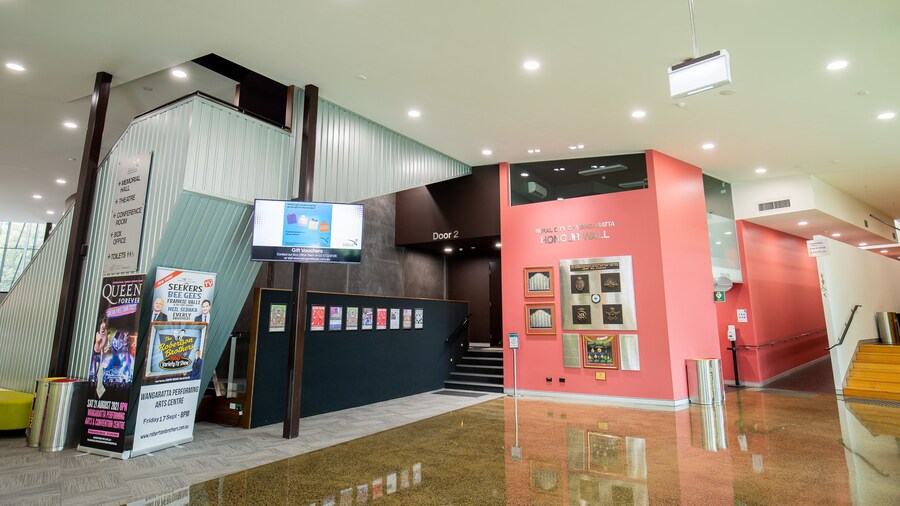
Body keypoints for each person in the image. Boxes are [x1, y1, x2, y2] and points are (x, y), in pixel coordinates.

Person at [89, 315, 108, 382]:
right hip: (95, 349)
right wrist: (97, 342)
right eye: (102, 323)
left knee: (99, 364)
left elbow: (104, 342)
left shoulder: (105, 331)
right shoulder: (97, 333)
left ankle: (96, 376)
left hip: (100, 350)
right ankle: (94, 376)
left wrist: (104, 348)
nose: (103, 325)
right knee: (94, 363)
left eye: (104, 322)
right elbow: (96, 347)